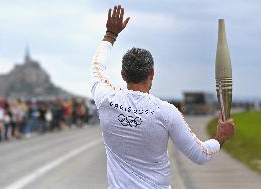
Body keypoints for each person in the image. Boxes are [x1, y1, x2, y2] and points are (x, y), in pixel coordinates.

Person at [91, 5, 235, 189]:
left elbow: (96, 67)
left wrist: (110, 34)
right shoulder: (166, 112)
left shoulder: (105, 98)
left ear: (123, 74)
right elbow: (201, 155)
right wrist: (221, 136)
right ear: (152, 73)